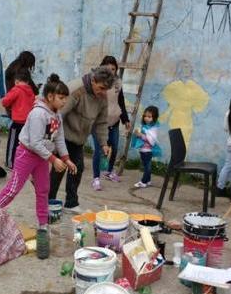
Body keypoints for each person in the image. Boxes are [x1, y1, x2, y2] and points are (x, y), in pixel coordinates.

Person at [0, 74, 76, 259]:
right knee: (12, 190)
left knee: (43, 191)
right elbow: (35, 143)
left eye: (65, 99)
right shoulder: (38, 114)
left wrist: (66, 158)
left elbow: (59, 138)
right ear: (51, 96)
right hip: (27, 154)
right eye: (61, 98)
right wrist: (54, 160)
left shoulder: (57, 115)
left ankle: (42, 227)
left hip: (42, 158)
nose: (63, 102)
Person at [49, 67, 115, 213]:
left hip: (79, 140)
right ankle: (48, 201)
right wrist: (52, 140)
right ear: (93, 81)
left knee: (77, 169)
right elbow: (59, 114)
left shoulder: (102, 97)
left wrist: (103, 143)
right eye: (101, 88)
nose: (103, 92)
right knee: (58, 171)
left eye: (106, 89)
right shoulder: (76, 90)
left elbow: (101, 122)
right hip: (63, 138)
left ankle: (71, 203)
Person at [91, 56, 130, 191]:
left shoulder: (118, 82)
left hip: (114, 121)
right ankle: (96, 178)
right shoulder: (96, 82)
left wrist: (125, 119)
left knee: (114, 147)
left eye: (113, 69)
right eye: (108, 68)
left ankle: (109, 171)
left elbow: (121, 100)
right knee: (99, 150)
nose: (111, 71)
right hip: (99, 123)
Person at [2, 69, 36, 169]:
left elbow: (5, 102)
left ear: (16, 81)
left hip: (17, 123)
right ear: (28, 81)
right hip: (28, 123)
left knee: (13, 144)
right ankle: (25, 163)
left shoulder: (16, 89)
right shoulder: (31, 91)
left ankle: (10, 164)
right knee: (25, 144)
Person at [131, 106, 161, 188]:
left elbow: (151, 140)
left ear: (154, 118)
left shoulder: (153, 128)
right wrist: (137, 133)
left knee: (147, 166)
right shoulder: (144, 126)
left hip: (148, 150)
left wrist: (140, 135)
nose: (146, 118)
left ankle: (143, 182)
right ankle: (148, 181)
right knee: (146, 165)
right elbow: (141, 135)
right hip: (143, 149)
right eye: (145, 116)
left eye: (149, 117)